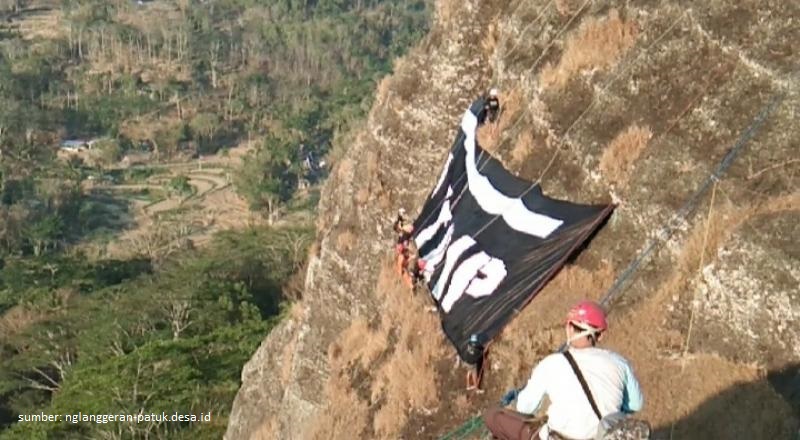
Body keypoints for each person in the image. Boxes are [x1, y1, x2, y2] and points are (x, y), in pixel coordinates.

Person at [483, 300, 644, 440]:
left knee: (493, 416)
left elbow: (524, 407)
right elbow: (635, 405)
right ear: (600, 335)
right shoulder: (619, 363)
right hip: (605, 435)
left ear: (569, 328)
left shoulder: (551, 364)